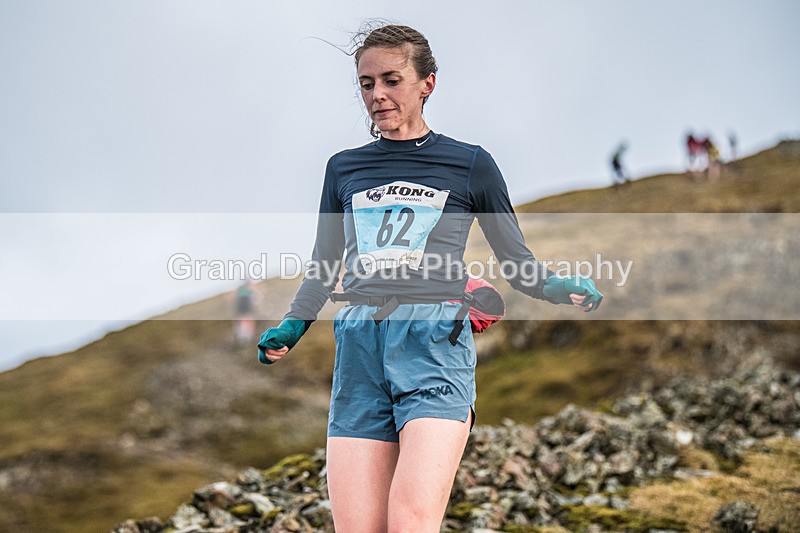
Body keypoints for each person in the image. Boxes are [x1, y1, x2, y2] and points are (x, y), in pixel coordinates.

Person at [257, 24, 603, 532]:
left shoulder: (469, 164)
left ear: (427, 83)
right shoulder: (343, 169)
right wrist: (292, 326)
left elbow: (516, 261)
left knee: (411, 521)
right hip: (359, 346)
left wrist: (555, 285)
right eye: (366, 83)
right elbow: (325, 264)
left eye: (392, 80)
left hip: (434, 346)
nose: (377, 95)